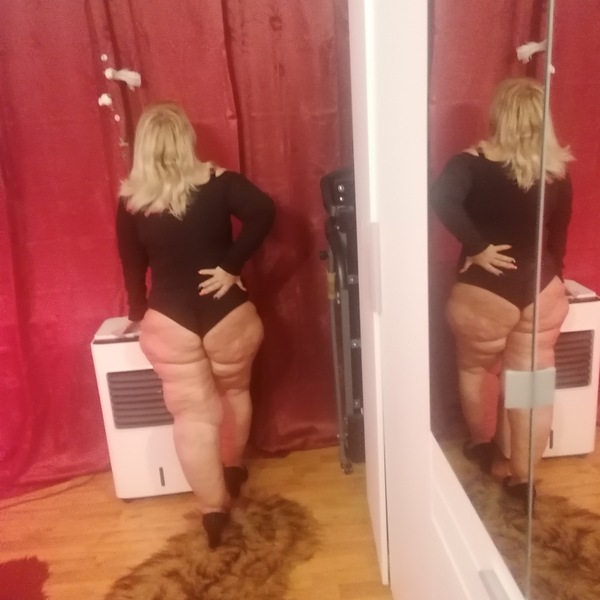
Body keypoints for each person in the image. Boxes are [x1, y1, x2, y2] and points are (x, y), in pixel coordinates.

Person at [115, 102, 275, 547]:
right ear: (186, 138)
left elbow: (132, 265)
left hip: (169, 317)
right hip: (227, 311)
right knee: (234, 391)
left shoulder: (132, 200)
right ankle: (233, 469)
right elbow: (264, 211)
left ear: (144, 146)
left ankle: (212, 511)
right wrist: (230, 266)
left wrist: (138, 312)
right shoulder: (220, 182)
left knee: (192, 417)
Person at [430, 77, 573, 509]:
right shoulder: (555, 170)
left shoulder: (468, 164)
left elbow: (441, 199)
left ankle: (481, 447)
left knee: (477, 370)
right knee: (532, 385)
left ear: (499, 115)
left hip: (485, 291)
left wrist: (477, 248)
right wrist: (553, 277)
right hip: (543, 288)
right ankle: (523, 479)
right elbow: (557, 238)